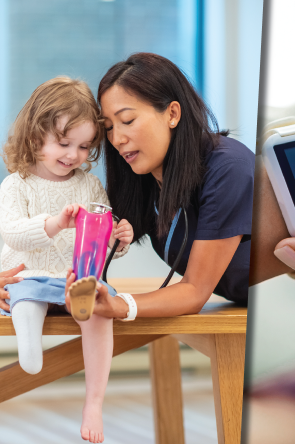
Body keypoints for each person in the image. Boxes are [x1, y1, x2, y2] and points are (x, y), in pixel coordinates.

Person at [0, 77, 134, 443]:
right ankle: (30, 349)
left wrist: (117, 240)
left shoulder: (89, 185)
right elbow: (10, 232)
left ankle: (94, 401)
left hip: (76, 278)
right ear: (34, 135)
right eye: (63, 142)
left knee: (98, 308)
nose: (73, 154)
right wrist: (55, 223)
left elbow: (98, 239)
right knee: (25, 293)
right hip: (28, 275)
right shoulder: (17, 184)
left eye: (84, 146)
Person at [79, 52, 254, 320]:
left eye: (127, 121)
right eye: (109, 127)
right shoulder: (146, 179)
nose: (117, 139)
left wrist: (121, 305)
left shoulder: (228, 169)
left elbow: (195, 291)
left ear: (172, 113)